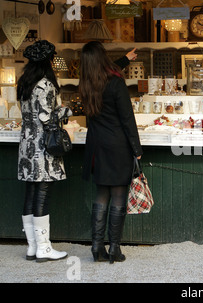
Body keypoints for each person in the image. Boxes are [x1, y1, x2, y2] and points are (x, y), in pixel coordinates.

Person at [79, 41, 143, 264]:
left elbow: (104, 71)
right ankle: (114, 248)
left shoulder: (87, 83)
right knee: (118, 195)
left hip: (96, 147)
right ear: (102, 58)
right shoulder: (115, 83)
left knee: (101, 195)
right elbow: (127, 119)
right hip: (117, 146)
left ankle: (97, 247)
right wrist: (137, 150)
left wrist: (125, 59)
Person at [17, 40, 72, 262]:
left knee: (30, 193)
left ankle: (32, 247)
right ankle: (44, 248)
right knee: (42, 194)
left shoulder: (24, 83)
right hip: (42, 146)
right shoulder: (46, 85)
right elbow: (47, 116)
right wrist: (68, 109)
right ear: (48, 61)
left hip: (26, 144)